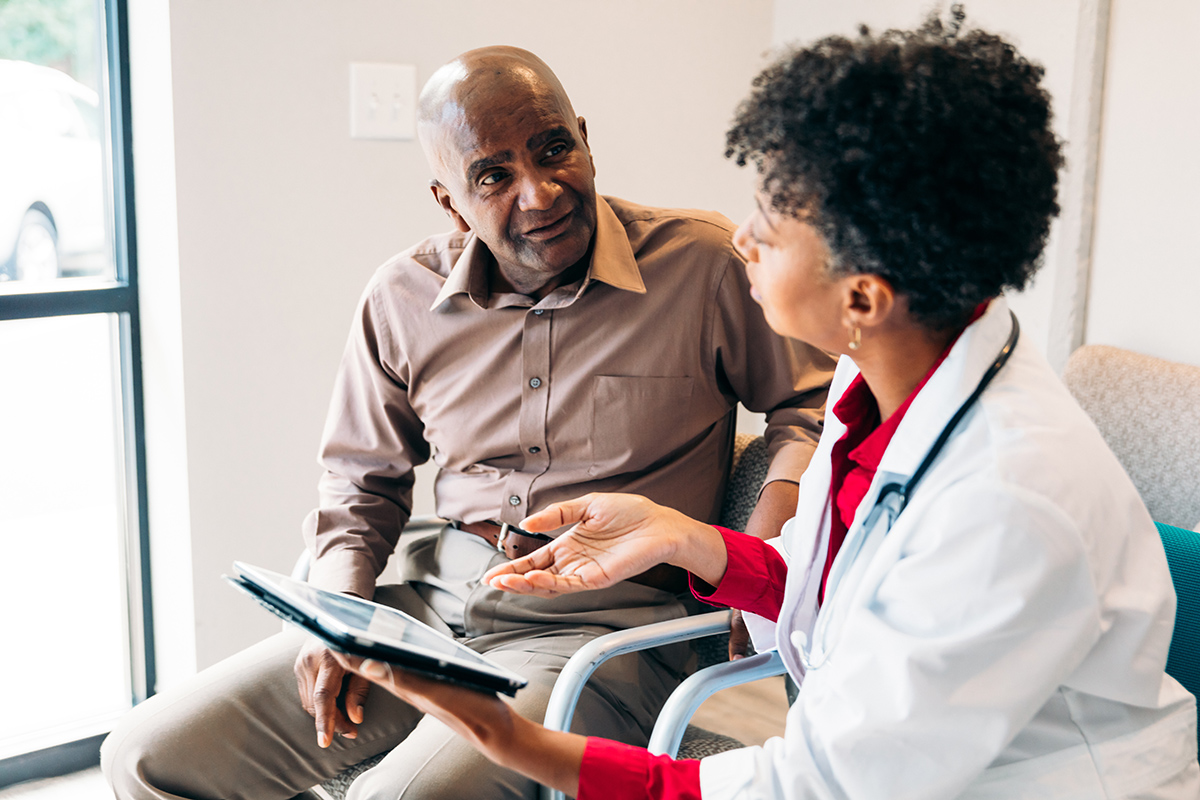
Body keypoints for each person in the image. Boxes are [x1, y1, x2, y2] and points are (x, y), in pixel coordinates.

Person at [327, 11, 1200, 800]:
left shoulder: (1006, 501)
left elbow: (810, 785)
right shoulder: (883, 383)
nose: (738, 237)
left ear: (860, 297)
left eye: (772, 226)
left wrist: (515, 741)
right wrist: (691, 541)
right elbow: (839, 590)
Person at [100, 46, 834, 800]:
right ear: (450, 200)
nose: (540, 192)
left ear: (584, 139)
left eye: (555, 150)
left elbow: (812, 404)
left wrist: (765, 535)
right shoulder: (401, 297)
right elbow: (359, 482)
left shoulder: (700, 264)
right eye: (494, 175)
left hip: (602, 633)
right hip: (428, 609)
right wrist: (333, 619)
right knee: (145, 755)